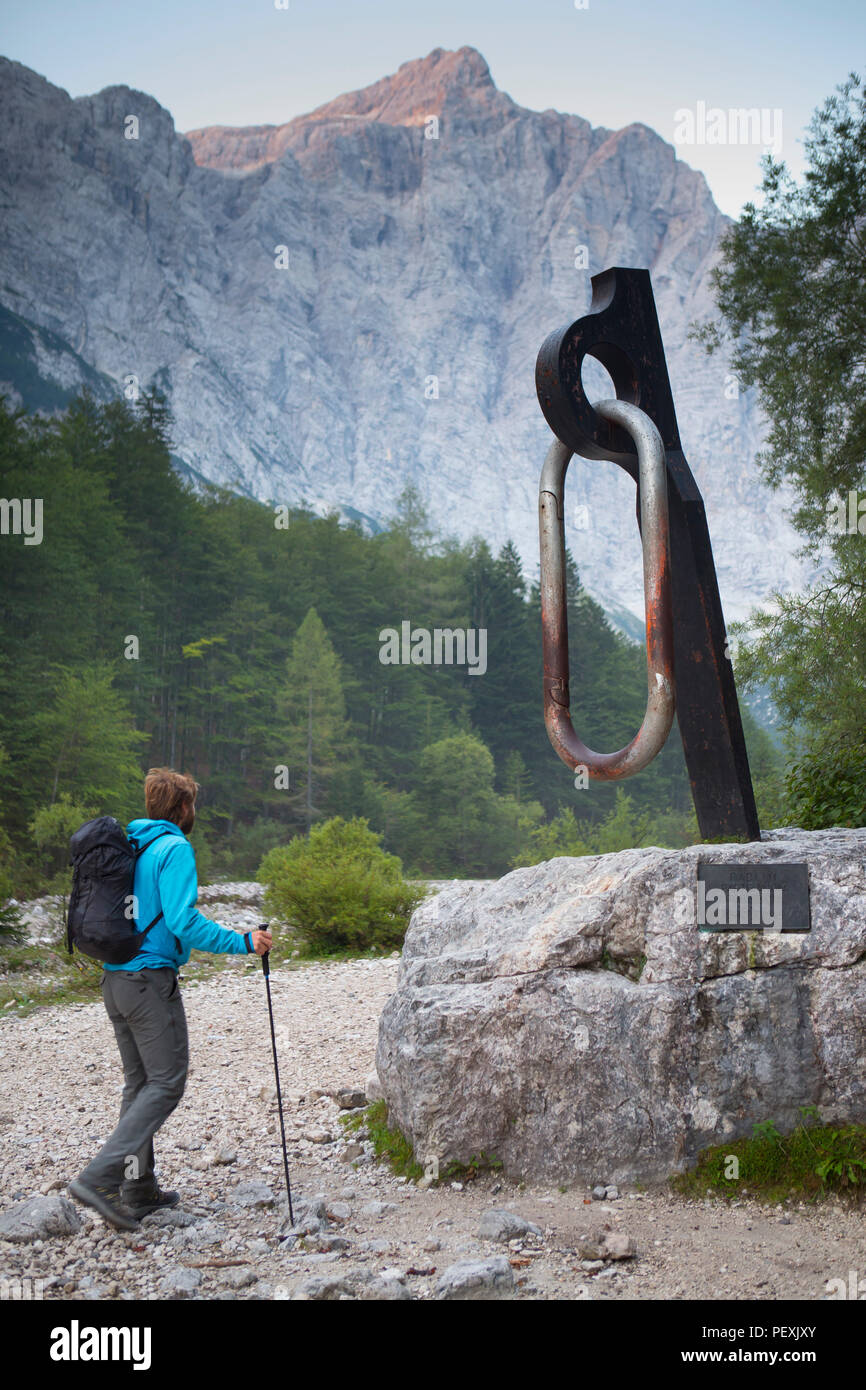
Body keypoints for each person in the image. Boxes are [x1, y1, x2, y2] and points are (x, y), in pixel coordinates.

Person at [69, 768, 271, 1230]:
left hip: (115, 981)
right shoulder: (174, 847)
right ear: (183, 808)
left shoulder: (131, 845)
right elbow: (183, 922)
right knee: (165, 1083)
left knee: (139, 1086)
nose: (193, 812)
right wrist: (243, 941)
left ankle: (137, 1189)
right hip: (148, 984)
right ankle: (99, 1177)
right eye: (192, 804)